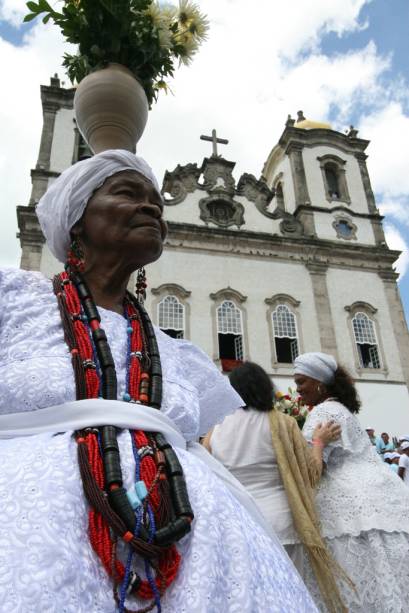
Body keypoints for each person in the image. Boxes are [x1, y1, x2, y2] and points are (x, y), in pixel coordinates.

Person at [0, 150, 317, 613]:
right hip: (31, 533)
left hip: (197, 551)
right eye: (128, 193)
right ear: (76, 222)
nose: (151, 208)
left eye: (156, 201)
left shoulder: (173, 352)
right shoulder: (17, 302)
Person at [206, 361, 349, 613]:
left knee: (250, 598)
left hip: (237, 523)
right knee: (289, 595)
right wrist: (319, 442)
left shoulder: (215, 428)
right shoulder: (283, 423)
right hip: (281, 522)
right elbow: (311, 474)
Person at [294, 352, 409, 612]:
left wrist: (313, 443)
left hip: (346, 505)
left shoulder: (322, 412)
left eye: (302, 382)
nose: (298, 389)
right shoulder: (342, 410)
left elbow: (313, 471)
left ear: (319, 382)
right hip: (380, 496)